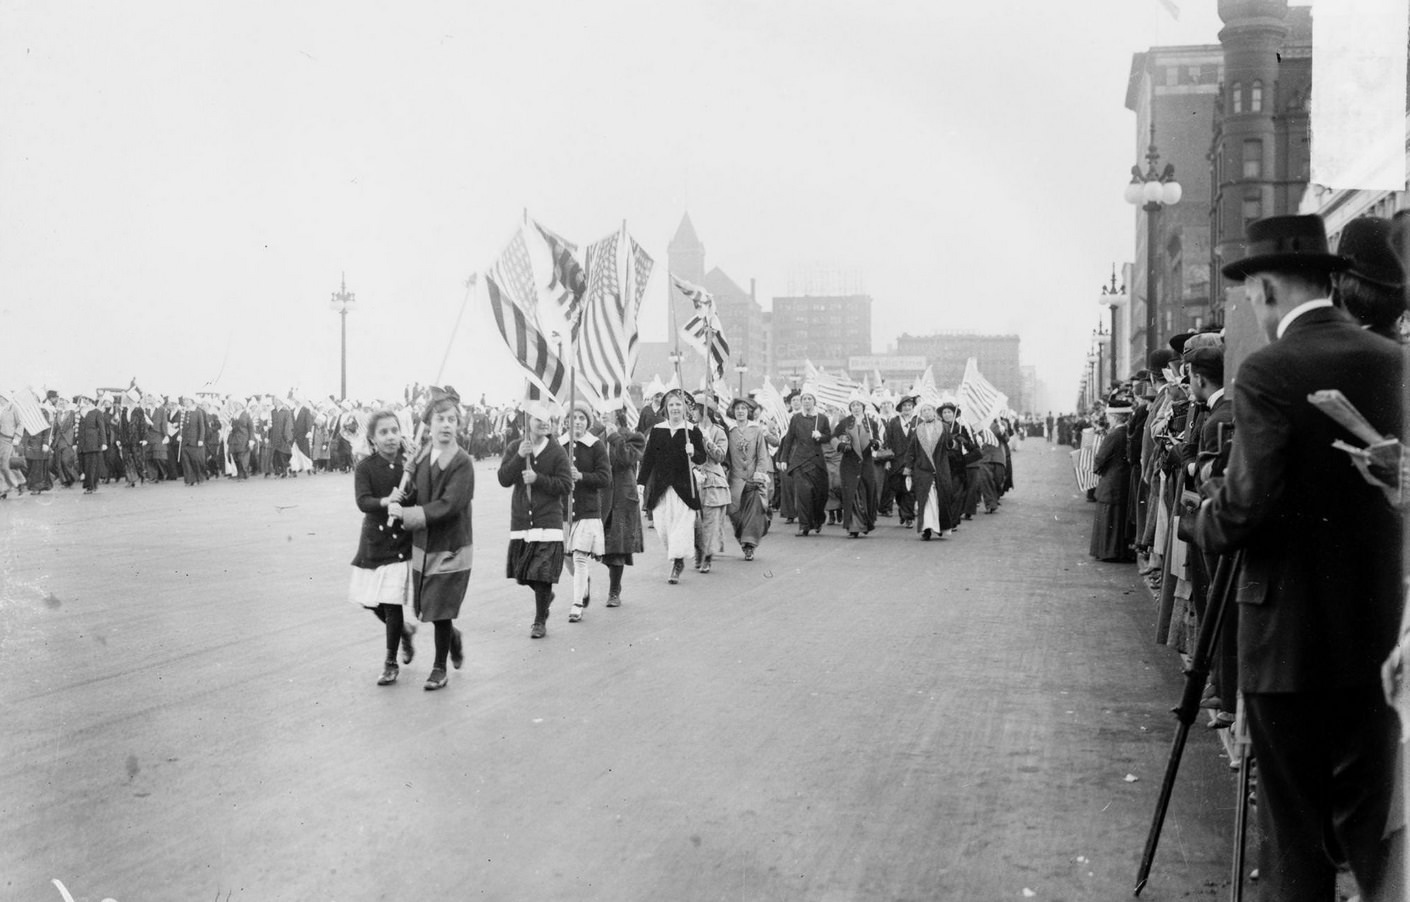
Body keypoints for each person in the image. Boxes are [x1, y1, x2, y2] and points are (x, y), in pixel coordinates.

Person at [1191, 214, 1404, 902]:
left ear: (1271, 290)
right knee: (1376, 837)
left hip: (1286, 643)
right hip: (1378, 639)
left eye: (1255, 292)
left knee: (1294, 842)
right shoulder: (1393, 362)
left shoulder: (1268, 371)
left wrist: (1203, 517)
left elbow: (1246, 506)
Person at [388, 387, 473, 687]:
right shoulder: (422, 455)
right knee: (430, 607)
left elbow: (449, 505)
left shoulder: (462, 462)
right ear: (431, 423)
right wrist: (404, 493)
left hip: (451, 546)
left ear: (458, 425)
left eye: (452, 419)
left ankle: (439, 668)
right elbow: (416, 494)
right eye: (441, 419)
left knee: (440, 606)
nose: (447, 424)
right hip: (424, 545)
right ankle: (454, 639)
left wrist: (408, 515)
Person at [349, 409, 417, 686]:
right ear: (373, 438)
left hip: (400, 543)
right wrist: (385, 501)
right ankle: (404, 631)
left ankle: (390, 662)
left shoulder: (409, 465)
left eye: (394, 430)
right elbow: (362, 501)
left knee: (391, 603)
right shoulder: (366, 467)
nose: (390, 437)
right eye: (383, 432)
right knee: (369, 601)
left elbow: (418, 497)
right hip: (372, 542)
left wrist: (409, 492)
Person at [497, 397, 571, 637]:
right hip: (521, 521)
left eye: (547, 420)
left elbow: (566, 484)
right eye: (539, 419)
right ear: (528, 422)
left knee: (542, 571)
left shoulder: (556, 451)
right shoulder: (516, 447)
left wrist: (538, 479)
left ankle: (540, 620)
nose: (544, 424)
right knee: (522, 573)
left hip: (547, 520)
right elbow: (503, 479)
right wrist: (519, 456)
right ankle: (545, 595)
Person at [637, 388, 706, 584]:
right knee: (663, 528)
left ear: (685, 408)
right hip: (661, 487)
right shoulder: (658, 431)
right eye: (671, 405)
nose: (675, 408)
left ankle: (677, 563)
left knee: (681, 526)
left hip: (684, 486)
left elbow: (702, 458)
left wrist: (694, 453)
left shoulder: (692, 431)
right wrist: (641, 482)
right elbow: (648, 458)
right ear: (666, 409)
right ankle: (691, 545)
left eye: (678, 404)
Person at [563, 403, 610, 623]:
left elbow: (605, 478)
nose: (578, 422)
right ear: (566, 422)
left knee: (580, 555)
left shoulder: (596, 446)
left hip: (588, 508)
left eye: (582, 418)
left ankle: (577, 604)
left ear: (588, 422)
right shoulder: (559, 445)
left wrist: (581, 476)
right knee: (567, 556)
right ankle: (584, 584)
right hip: (564, 510)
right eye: (573, 418)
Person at [600, 406, 646, 606]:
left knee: (617, 547)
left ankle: (614, 591)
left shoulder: (635, 437)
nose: (602, 414)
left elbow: (628, 458)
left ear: (618, 414)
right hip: (600, 498)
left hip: (622, 498)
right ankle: (581, 591)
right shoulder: (595, 436)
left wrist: (614, 436)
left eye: (607, 410)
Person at [901, 400, 958, 540]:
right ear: (921, 414)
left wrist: (952, 442)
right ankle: (926, 529)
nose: (926, 413)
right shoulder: (918, 429)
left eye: (929, 410)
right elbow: (911, 451)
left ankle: (939, 526)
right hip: (922, 470)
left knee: (940, 499)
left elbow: (950, 446)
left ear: (934, 411)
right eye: (923, 411)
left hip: (940, 469)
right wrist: (908, 467)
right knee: (925, 500)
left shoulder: (944, 427)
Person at [1089, 393, 1135, 562]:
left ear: (1115, 417)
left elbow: (1100, 458)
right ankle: (1116, 551)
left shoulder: (1114, 435)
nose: (1107, 419)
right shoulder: (1126, 432)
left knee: (1109, 517)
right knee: (1118, 519)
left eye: (1109, 416)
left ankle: (1108, 551)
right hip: (1122, 480)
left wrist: (1097, 468)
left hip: (1111, 481)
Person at [725, 396, 773, 560]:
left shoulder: (757, 430)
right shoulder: (729, 431)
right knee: (734, 513)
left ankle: (749, 545)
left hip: (753, 479)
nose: (740, 411)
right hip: (735, 480)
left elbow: (762, 456)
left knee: (753, 513)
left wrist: (759, 474)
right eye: (737, 409)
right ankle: (742, 539)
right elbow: (726, 457)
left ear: (749, 412)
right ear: (733, 412)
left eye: (743, 409)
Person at [779, 389, 831, 537]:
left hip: (817, 462)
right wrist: (783, 459)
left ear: (814, 402)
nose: (807, 401)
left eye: (810, 398)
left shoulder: (821, 419)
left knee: (819, 494)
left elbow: (828, 436)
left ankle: (818, 519)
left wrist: (820, 436)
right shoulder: (796, 418)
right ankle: (804, 525)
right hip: (799, 462)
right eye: (804, 399)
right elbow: (788, 439)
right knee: (803, 493)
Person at [690, 392, 730, 573]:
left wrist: (707, 440)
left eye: (694, 409)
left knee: (710, 522)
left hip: (713, 482)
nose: (691, 413)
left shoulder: (718, 431)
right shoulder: (689, 430)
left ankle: (707, 556)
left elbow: (720, 456)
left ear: (704, 411)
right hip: (693, 480)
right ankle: (699, 551)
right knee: (694, 522)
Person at [832, 395, 879, 538]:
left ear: (863, 407)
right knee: (851, 493)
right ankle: (853, 526)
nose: (856, 407)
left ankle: (865, 522)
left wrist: (876, 443)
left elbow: (878, 439)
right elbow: (833, 437)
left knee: (866, 491)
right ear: (850, 407)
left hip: (866, 462)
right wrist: (840, 445)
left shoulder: (871, 423)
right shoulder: (844, 423)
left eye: (859, 404)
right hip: (849, 462)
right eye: (853, 405)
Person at [883, 395, 918, 528]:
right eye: (904, 406)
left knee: (910, 489)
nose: (907, 408)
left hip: (913, 461)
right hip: (896, 461)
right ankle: (903, 512)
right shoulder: (893, 422)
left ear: (913, 407)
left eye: (909, 405)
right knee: (898, 488)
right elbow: (888, 441)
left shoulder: (918, 422)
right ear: (900, 408)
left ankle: (908, 516)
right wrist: (887, 460)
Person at [75, 394, 109, 494]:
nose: (84, 400)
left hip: (93, 443)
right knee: (84, 465)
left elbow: (101, 428)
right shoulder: (80, 412)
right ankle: (90, 484)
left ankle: (91, 486)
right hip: (82, 443)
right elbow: (76, 428)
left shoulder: (96, 412)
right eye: (83, 399)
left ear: (90, 400)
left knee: (91, 466)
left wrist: (104, 442)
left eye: (86, 398)